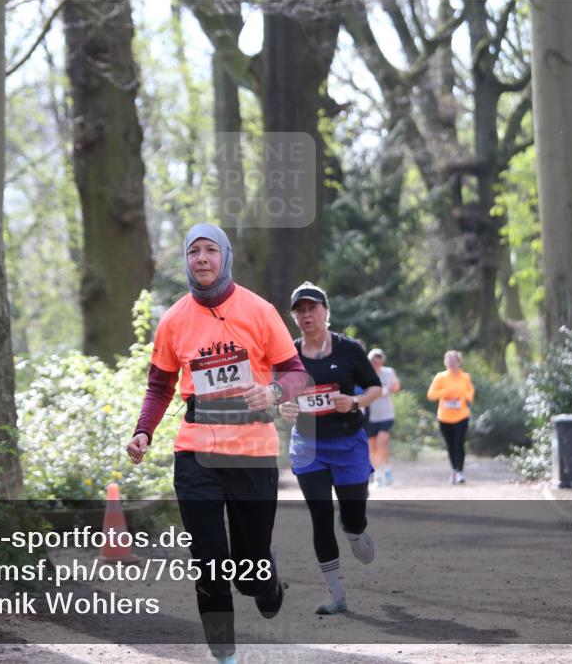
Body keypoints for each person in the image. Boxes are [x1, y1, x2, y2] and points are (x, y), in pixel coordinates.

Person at [126, 224, 308, 664]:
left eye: (210, 250)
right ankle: (223, 653)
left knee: (249, 568)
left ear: (225, 256)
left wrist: (274, 393)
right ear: (186, 260)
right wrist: (143, 430)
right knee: (207, 559)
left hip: (252, 450)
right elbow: (159, 386)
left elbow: (296, 373)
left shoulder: (259, 311)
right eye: (194, 251)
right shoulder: (173, 320)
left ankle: (265, 582)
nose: (202, 259)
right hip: (196, 452)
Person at [277, 281, 383, 615]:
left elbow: (374, 389)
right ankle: (336, 594)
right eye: (300, 310)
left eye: (312, 308)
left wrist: (353, 401)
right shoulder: (287, 353)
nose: (307, 315)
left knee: (352, 515)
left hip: (348, 444)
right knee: (320, 517)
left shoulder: (349, 349)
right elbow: (279, 397)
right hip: (308, 445)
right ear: (295, 317)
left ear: (326, 311)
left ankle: (354, 531)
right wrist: (284, 409)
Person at [427, 350, 475, 484]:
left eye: (454, 361)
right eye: (449, 361)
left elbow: (470, 392)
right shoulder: (440, 377)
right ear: (445, 362)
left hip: (461, 415)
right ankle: (454, 470)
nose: (452, 363)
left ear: (459, 362)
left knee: (459, 443)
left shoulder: (465, 377)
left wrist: (465, 397)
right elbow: (431, 394)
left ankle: (460, 471)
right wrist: (445, 392)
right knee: (450, 445)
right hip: (444, 417)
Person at [365, 348, 401, 487]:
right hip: (371, 416)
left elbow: (396, 386)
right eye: (374, 361)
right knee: (372, 448)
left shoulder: (388, 372)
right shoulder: (366, 374)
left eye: (378, 361)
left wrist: (389, 389)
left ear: (382, 361)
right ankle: (381, 473)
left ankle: (384, 473)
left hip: (386, 414)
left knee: (381, 443)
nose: (376, 364)